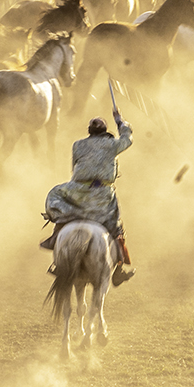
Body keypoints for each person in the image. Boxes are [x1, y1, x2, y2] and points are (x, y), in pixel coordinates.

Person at [41, 107, 135, 285]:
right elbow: (127, 139)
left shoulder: (77, 145)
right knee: (116, 225)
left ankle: (56, 235)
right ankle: (120, 267)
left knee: (55, 195)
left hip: (77, 191)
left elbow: (74, 167)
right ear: (105, 132)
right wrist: (120, 121)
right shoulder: (112, 144)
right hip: (102, 194)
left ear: (89, 132)